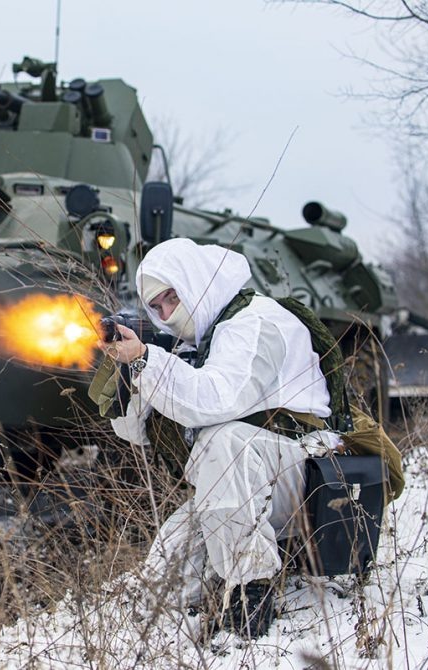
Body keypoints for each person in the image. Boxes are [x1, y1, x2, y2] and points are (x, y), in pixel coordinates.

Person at [95, 238, 338, 639]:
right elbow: (134, 433)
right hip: (248, 485)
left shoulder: (255, 322)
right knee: (162, 586)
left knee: (223, 442)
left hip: (310, 475)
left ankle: (250, 597)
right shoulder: (201, 341)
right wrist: (130, 374)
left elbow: (220, 399)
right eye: (156, 308)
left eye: (172, 297)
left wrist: (148, 361)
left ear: (195, 280)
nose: (167, 314)